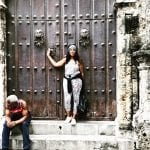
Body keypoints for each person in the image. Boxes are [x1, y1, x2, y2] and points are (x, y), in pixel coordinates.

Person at [47, 44, 84, 125]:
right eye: (71, 50)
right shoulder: (65, 60)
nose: (72, 51)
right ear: (68, 51)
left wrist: (80, 82)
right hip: (66, 80)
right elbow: (56, 64)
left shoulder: (79, 60)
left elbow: (82, 72)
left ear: (76, 51)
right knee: (67, 98)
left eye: (74, 50)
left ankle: (74, 117)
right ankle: (68, 116)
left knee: (76, 98)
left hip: (76, 80)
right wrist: (48, 56)